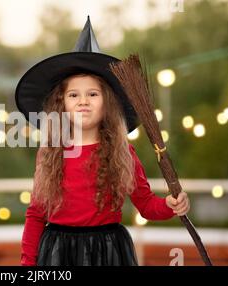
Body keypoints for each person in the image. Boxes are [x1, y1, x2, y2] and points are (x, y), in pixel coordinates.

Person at [14, 17, 190, 266]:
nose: (83, 101)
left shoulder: (122, 152)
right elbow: (35, 215)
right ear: (61, 103)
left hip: (109, 252)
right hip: (58, 254)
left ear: (107, 103)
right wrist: (27, 264)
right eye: (74, 95)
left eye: (93, 94)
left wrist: (170, 205)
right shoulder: (51, 153)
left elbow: (146, 204)